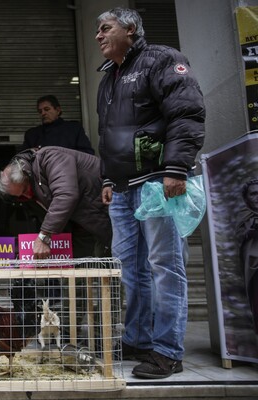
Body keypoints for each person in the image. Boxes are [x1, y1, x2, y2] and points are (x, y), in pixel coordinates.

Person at [95, 8, 205, 379]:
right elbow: (107, 135)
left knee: (165, 266)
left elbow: (186, 113)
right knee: (130, 270)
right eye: (96, 30)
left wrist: (177, 168)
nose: (98, 35)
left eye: (105, 28)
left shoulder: (161, 60)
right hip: (123, 189)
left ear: (130, 28)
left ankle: (167, 351)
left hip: (158, 181)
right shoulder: (108, 79)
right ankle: (138, 339)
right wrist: (108, 179)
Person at [0, 146, 111, 259]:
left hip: (106, 209)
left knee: (114, 264)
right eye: (20, 196)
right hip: (85, 227)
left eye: (25, 190)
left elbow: (66, 195)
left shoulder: (50, 158)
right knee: (86, 269)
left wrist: (44, 236)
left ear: (26, 176)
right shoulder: (29, 190)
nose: (26, 196)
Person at [21, 95, 94, 155]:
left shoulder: (74, 129)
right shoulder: (32, 134)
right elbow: (22, 158)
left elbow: (87, 154)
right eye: (40, 111)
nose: (43, 113)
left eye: (47, 109)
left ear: (58, 110)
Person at [236, 178, 258, 334]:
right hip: (253, 265)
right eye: (254, 194)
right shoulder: (244, 216)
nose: (257, 197)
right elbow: (237, 237)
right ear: (247, 197)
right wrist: (249, 232)